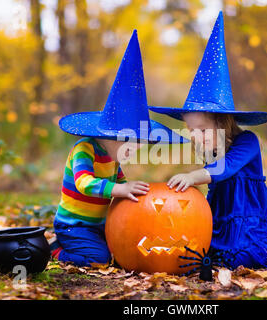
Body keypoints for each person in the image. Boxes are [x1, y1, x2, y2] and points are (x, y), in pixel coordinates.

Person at [150, 12, 267, 269]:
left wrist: (194, 176)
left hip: (249, 220)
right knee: (202, 254)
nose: (196, 136)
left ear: (223, 124)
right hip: (221, 221)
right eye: (191, 130)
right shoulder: (209, 150)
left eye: (202, 130)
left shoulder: (247, 142)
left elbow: (224, 169)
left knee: (243, 258)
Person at [49, 30, 187, 267]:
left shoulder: (114, 158)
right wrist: (119, 190)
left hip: (100, 224)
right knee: (99, 259)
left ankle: (83, 245)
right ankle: (55, 250)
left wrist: (133, 195)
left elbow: (121, 184)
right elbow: (85, 184)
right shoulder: (84, 150)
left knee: (123, 251)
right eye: (130, 144)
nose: (133, 151)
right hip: (75, 224)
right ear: (112, 136)